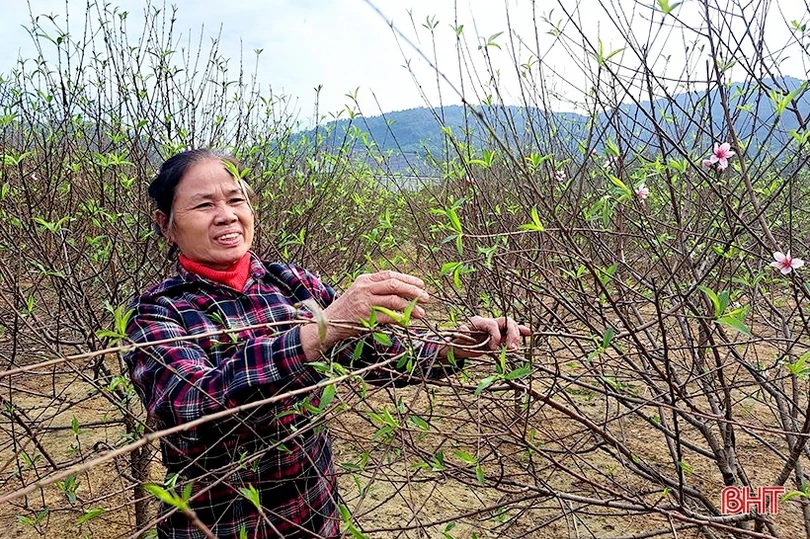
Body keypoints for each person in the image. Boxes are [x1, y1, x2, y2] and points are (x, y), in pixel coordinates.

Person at [124, 149, 530, 539]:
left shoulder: (292, 284)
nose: (227, 215)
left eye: (236, 199)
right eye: (204, 205)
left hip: (312, 515)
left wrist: (458, 345)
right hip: (220, 525)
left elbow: (382, 356)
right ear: (166, 224)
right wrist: (319, 331)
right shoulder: (157, 311)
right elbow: (192, 405)